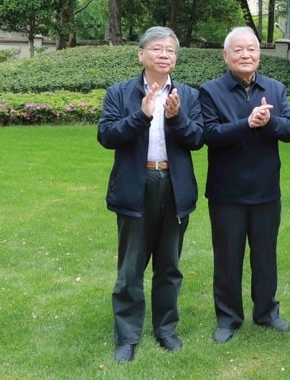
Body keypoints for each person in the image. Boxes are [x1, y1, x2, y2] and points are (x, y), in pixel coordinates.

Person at [98, 26, 205, 363]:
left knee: (169, 264)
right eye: (157, 49)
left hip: (173, 184)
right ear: (140, 55)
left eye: (170, 50)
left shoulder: (188, 95)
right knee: (131, 267)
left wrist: (175, 119)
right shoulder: (120, 93)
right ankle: (127, 336)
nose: (164, 55)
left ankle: (166, 330)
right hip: (136, 184)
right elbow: (107, 135)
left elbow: (197, 139)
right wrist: (142, 115)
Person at [199, 26, 290, 344]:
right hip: (227, 191)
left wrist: (268, 122)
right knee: (227, 256)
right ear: (225, 56)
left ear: (259, 53)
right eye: (238, 49)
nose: (246, 54)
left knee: (265, 255)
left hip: (266, 188)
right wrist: (246, 123)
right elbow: (208, 135)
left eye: (252, 49)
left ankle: (267, 312)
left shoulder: (275, 88)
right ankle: (228, 318)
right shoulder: (211, 91)